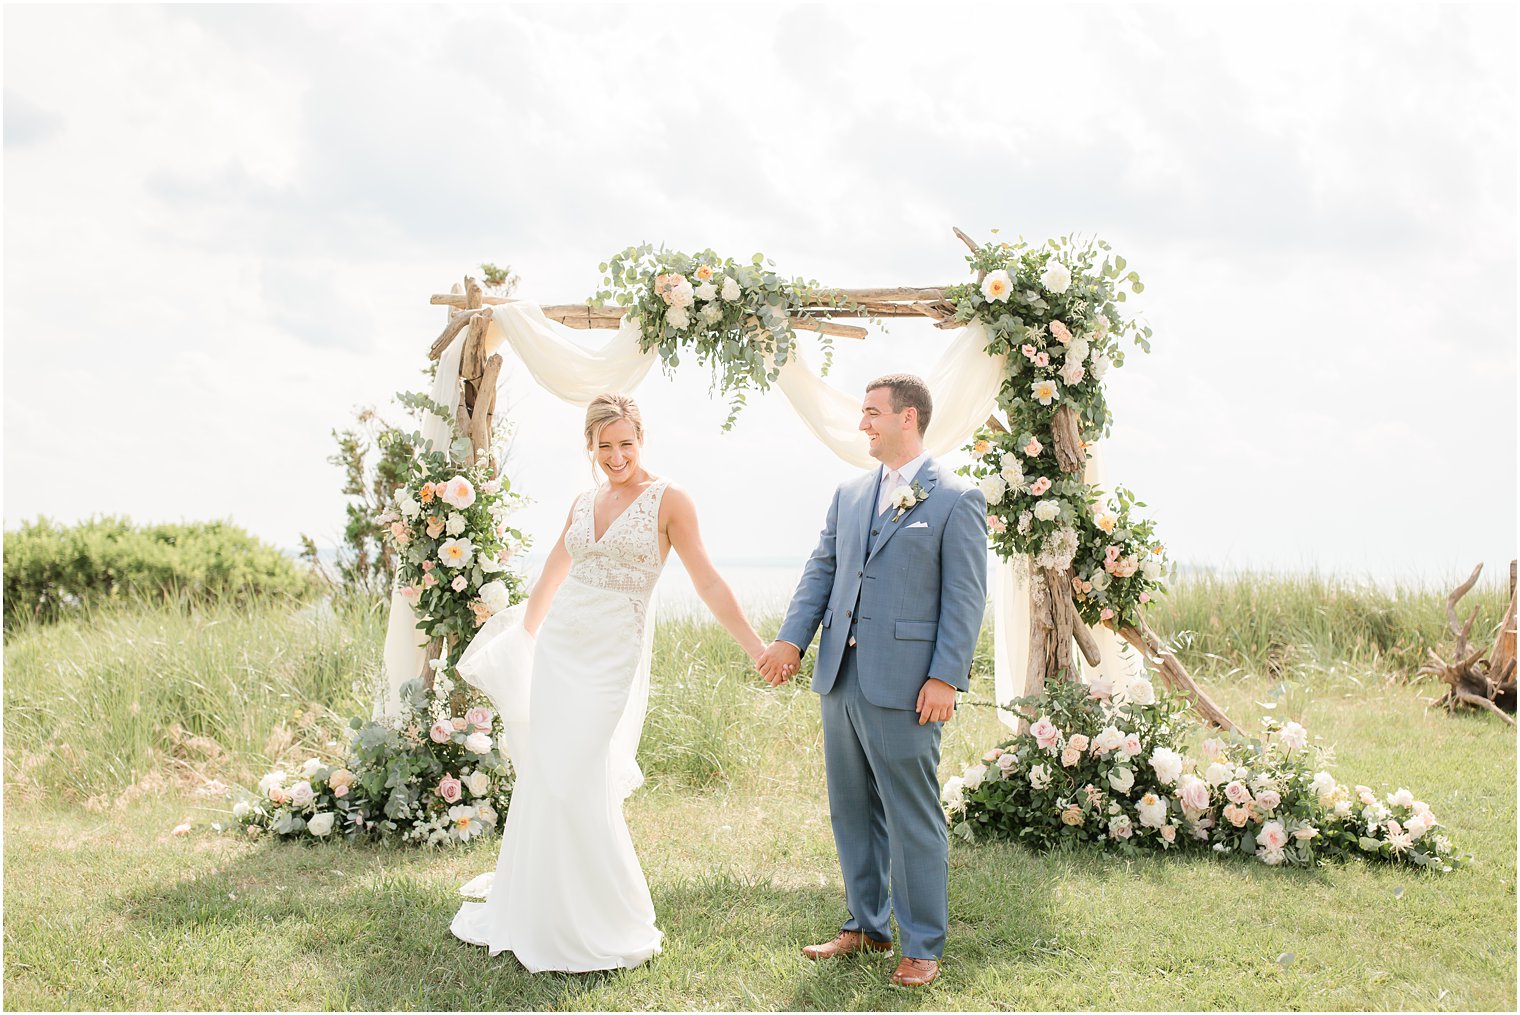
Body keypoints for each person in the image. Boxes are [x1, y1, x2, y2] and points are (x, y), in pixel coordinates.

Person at [451, 393, 766, 972]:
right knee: (548, 773)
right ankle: (539, 905)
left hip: (609, 656)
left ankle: (602, 916)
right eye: (604, 445)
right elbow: (554, 567)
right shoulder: (582, 499)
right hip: (560, 649)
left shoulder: (670, 501)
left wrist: (756, 648)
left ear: (641, 439)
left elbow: (709, 583)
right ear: (590, 446)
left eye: (626, 443)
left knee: (579, 775)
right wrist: (524, 636)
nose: (615, 455)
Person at [757, 373, 988, 988]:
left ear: (907, 418)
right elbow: (822, 570)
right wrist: (791, 639)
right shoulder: (850, 494)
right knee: (851, 807)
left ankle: (922, 945)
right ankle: (867, 925)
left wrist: (945, 678)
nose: (862, 424)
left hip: (910, 683)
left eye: (871, 413)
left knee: (912, 813)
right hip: (841, 674)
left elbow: (965, 601)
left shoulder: (956, 498)